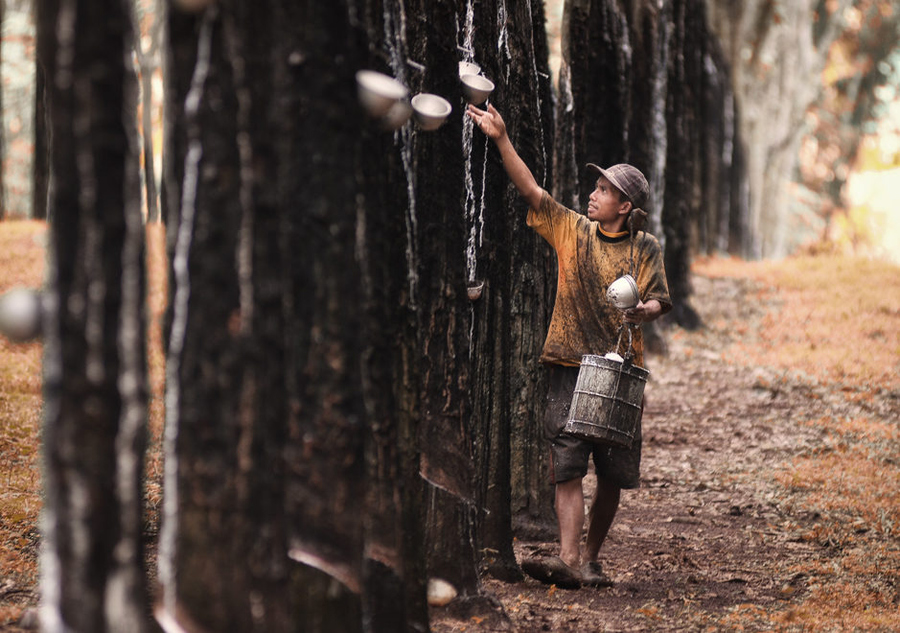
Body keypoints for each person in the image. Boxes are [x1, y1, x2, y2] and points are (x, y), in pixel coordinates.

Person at [467, 103, 672, 589]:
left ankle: (592, 558)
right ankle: (568, 558)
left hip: (620, 371)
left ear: (625, 207)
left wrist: (644, 311)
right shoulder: (572, 230)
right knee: (567, 463)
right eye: (596, 187)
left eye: (604, 191)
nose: (593, 195)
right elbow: (532, 191)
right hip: (569, 364)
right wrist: (500, 138)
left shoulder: (645, 248)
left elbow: (661, 299)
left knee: (614, 470)